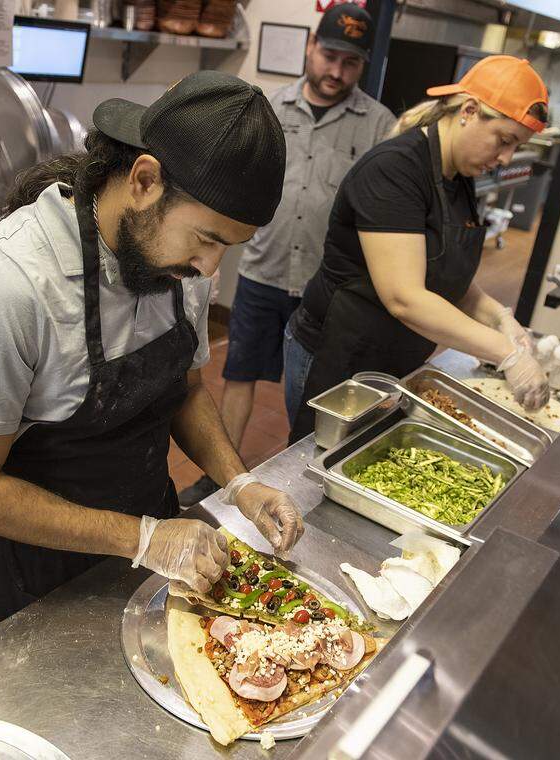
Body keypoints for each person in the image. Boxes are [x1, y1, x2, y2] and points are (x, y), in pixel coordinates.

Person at [0, 72, 304, 633]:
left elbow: (186, 389)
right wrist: (142, 538)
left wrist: (237, 484)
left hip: (156, 557)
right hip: (43, 583)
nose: (209, 269)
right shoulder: (10, 286)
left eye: (229, 247)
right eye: (206, 239)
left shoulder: (183, 266)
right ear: (145, 181)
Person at [178, 3, 396, 505]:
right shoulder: (268, 109)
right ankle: (222, 480)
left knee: (315, 394)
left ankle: (309, 487)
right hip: (263, 272)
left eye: (351, 63)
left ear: (363, 67)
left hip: (327, 288)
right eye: (330, 56)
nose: (336, 72)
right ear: (310, 47)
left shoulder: (379, 125)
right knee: (239, 375)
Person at [283, 56, 552, 442]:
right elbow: (404, 297)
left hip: (392, 353)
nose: (505, 159)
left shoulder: (457, 177)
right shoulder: (394, 171)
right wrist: (504, 353)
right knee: (318, 457)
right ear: (470, 111)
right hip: (338, 352)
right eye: (504, 141)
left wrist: (499, 317)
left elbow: (446, 275)